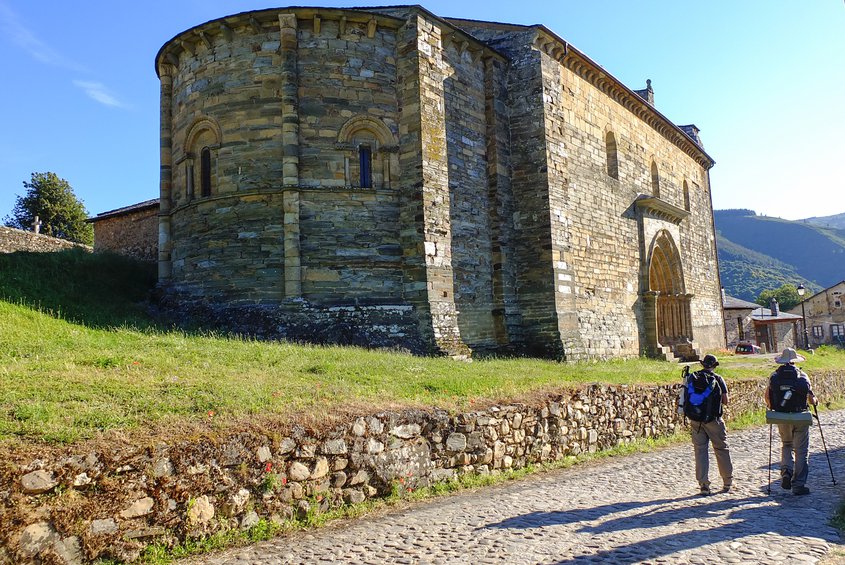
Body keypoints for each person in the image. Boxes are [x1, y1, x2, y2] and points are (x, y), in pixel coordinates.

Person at [765, 347, 818, 496]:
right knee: (801, 451)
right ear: (795, 361)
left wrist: (776, 407)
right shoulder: (802, 375)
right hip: (800, 416)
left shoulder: (774, 376)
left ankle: (786, 472)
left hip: (781, 416)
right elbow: (811, 398)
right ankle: (798, 485)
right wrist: (815, 402)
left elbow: (768, 398)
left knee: (787, 445)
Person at [686, 354, 734, 496]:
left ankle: (704, 485)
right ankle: (727, 481)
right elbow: (726, 400)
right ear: (714, 365)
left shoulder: (692, 378)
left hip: (696, 420)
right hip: (714, 420)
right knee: (721, 449)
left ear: (703, 364)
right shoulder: (718, 379)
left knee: (700, 451)